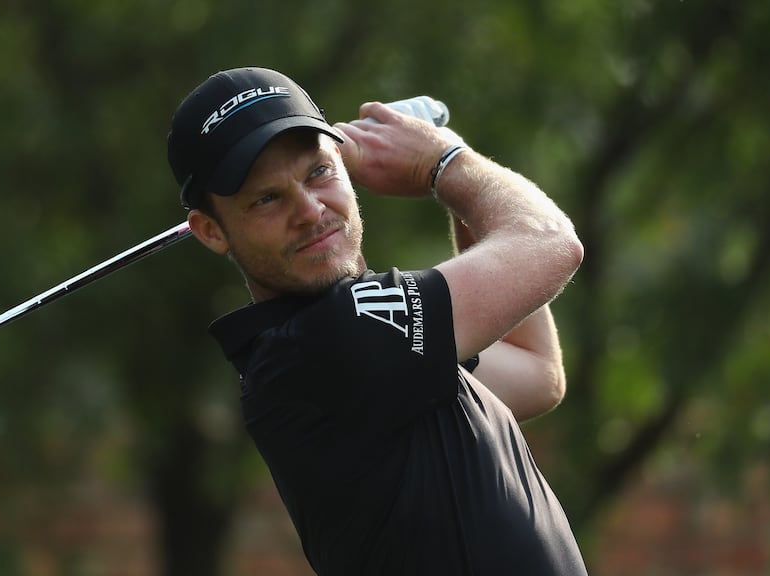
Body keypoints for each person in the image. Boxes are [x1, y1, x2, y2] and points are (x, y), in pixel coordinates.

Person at [166, 67, 587, 575]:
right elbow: (551, 243)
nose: (309, 209)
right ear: (211, 231)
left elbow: (536, 372)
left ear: (343, 161)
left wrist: (452, 175)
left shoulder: (380, 351)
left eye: (317, 172)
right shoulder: (332, 342)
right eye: (267, 198)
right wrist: (445, 162)